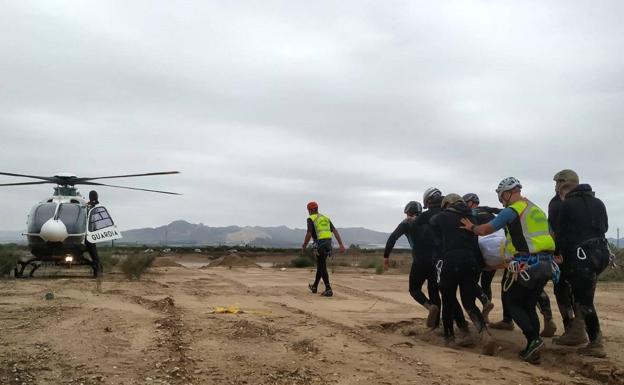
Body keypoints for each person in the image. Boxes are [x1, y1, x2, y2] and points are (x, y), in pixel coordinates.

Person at [461, 178, 557, 363]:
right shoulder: (536, 210)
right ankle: (532, 344)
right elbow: (551, 234)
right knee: (528, 305)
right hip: (546, 263)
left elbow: (486, 229)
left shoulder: (512, 210)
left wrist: (471, 227)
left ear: (506, 193)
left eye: (501, 197)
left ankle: (534, 340)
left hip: (527, 263)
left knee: (512, 303)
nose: (501, 201)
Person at [430, 194, 495, 355]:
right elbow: (476, 244)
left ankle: (449, 338)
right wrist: (481, 265)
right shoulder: (471, 218)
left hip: (450, 261)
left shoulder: (441, 217)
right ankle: (485, 335)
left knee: (448, 300)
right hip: (470, 262)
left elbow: (433, 224)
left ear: (447, 205)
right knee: (469, 302)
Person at [556, 180, 610, 358]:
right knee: (586, 294)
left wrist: (558, 254)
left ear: (566, 193)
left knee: (584, 300)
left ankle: (596, 342)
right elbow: (605, 227)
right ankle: (583, 333)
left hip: (582, 255)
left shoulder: (567, 204)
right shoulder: (599, 202)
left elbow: (561, 233)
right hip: (602, 253)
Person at [383, 201, 440, 327]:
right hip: (435, 261)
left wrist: (386, 256)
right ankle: (436, 326)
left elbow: (393, 237)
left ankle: (430, 307)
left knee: (414, 289)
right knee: (434, 291)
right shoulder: (429, 219)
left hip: (420, 260)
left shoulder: (407, 222)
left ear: (408, 212)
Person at [549, 169, 586, 346]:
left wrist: (555, 253)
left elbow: (556, 231)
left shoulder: (557, 203)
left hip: (565, 253)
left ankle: (572, 329)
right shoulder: (587, 200)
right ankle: (579, 329)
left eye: (558, 182)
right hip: (585, 253)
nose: (556, 186)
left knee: (561, 290)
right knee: (580, 292)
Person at [462, 193, 498, 323]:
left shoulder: (469, 214)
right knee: (486, 283)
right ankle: (485, 313)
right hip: (493, 253)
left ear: (470, 202)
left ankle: (483, 303)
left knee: (471, 282)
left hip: (478, 252)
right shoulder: (488, 211)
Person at [302, 201, 346, 297]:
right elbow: (335, 231)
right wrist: (341, 244)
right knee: (321, 265)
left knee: (321, 265)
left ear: (312, 209)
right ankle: (314, 286)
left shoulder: (311, 218)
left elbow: (309, 233)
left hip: (320, 244)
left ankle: (328, 289)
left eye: (308, 210)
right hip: (328, 244)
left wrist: (304, 245)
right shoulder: (325, 218)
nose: (308, 212)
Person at [85, 190, 102, 278]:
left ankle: (97, 270)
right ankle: (97, 269)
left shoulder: (89, 206)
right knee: (93, 253)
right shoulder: (89, 206)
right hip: (87, 235)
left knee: (93, 252)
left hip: (86, 234)